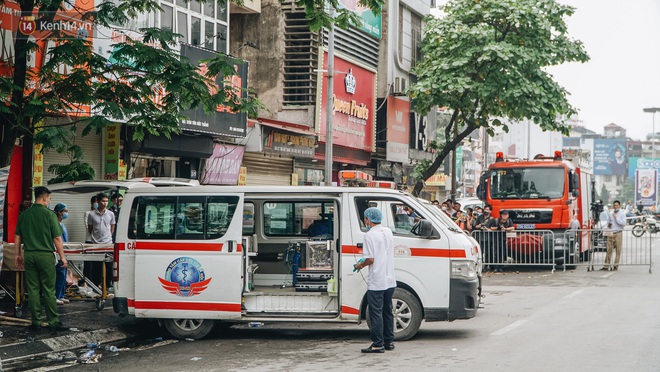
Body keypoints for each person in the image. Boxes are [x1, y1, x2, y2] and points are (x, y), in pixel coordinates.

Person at [14, 186, 68, 334]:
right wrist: (62, 257)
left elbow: (17, 236)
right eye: (49, 199)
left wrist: (17, 254)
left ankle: (36, 321)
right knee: (49, 290)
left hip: (29, 255)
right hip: (45, 255)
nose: (49, 201)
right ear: (44, 198)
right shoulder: (50, 215)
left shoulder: (24, 215)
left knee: (33, 289)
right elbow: (57, 238)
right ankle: (53, 321)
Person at [354, 207, 396, 353]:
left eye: (365, 218)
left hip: (377, 280)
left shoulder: (369, 236)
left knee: (375, 313)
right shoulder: (387, 232)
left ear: (368, 219)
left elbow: (370, 259)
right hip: (389, 278)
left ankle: (378, 344)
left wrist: (360, 265)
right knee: (387, 311)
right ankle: (389, 342)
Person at [87, 192, 116, 288]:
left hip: (108, 243)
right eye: (103, 201)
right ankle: (96, 284)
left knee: (108, 265)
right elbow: (90, 228)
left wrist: (109, 237)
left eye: (107, 201)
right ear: (98, 202)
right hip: (96, 243)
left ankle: (108, 285)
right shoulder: (91, 214)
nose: (105, 203)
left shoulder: (111, 214)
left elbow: (112, 227)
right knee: (97, 265)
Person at [601, 200, 626, 271]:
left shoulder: (622, 214)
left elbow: (623, 223)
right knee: (609, 250)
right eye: (614, 205)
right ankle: (606, 265)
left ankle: (615, 266)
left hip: (618, 233)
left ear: (619, 206)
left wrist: (616, 218)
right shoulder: (610, 214)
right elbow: (608, 222)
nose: (615, 207)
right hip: (611, 233)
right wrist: (608, 225)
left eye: (617, 205)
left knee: (618, 250)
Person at [53, 203, 70, 305]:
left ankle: (61, 295)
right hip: (59, 252)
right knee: (60, 274)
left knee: (63, 275)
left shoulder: (61, 225)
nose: (66, 213)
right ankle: (56, 296)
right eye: (65, 211)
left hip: (65, 251)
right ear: (59, 212)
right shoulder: (55, 224)